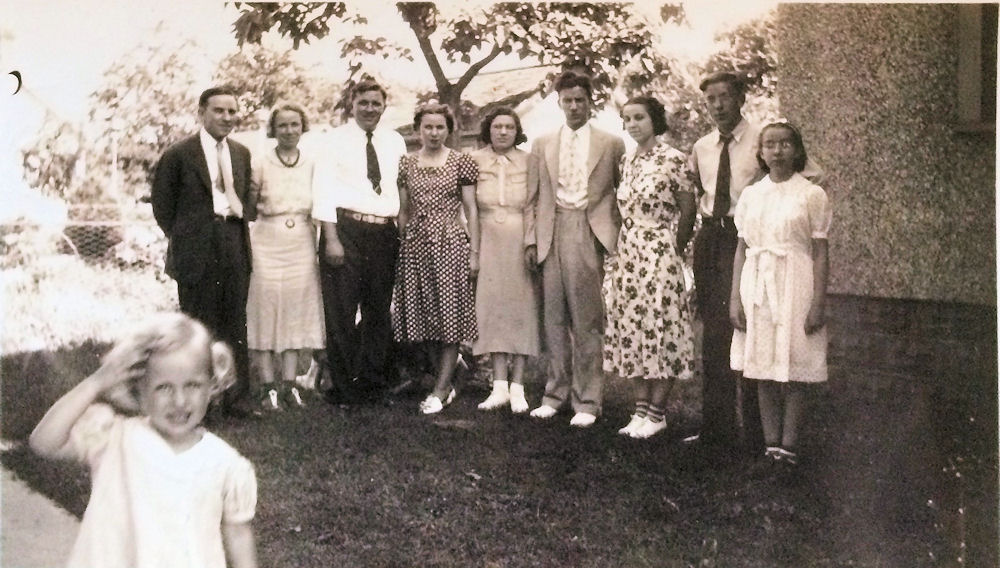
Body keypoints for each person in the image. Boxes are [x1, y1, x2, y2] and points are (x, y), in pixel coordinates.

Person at [29, 312, 258, 568]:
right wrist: (96, 383)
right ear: (140, 390)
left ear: (211, 387)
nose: (179, 401)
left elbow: (238, 535)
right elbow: (44, 442)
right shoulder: (113, 438)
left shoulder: (224, 463)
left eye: (192, 385)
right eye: (164, 387)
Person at [527, 71, 625, 427]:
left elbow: (623, 193)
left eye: (579, 100)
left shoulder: (612, 143)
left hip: (588, 227)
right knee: (554, 318)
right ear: (559, 103)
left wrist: (613, 237)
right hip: (551, 230)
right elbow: (533, 197)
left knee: (587, 319)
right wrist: (531, 240)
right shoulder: (542, 144)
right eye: (567, 100)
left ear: (590, 101)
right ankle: (555, 394)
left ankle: (588, 400)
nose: (573, 106)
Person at [729, 121, 831, 466]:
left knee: (796, 363)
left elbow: (819, 251)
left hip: (795, 281)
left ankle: (789, 447)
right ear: (760, 152)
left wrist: (818, 302)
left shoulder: (811, 194)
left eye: (785, 144)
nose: (777, 151)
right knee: (761, 365)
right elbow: (742, 249)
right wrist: (734, 298)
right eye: (770, 144)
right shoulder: (751, 194)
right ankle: (770, 445)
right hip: (757, 282)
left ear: (797, 150)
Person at [151, 86, 254, 418]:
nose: (227, 117)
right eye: (219, 111)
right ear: (201, 112)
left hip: (233, 242)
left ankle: (236, 400)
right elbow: (163, 207)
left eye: (232, 111)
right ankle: (202, 404)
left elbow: (243, 197)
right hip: (196, 250)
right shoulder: (179, 154)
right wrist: (188, 238)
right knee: (199, 329)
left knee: (235, 325)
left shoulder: (241, 153)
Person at [603, 96, 697, 439]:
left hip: (659, 250)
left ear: (654, 120)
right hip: (629, 252)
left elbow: (688, 211)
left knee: (662, 326)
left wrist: (674, 246)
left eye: (639, 117)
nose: (632, 124)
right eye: (627, 119)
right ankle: (640, 409)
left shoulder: (674, 159)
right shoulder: (627, 160)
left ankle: (658, 413)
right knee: (632, 326)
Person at [313, 79, 408, 404]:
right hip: (345, 230)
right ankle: (342, 387)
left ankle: (372, 382)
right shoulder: (333, 141)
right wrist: (331, 240)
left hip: (383, 233)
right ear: (352, 104)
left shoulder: (394, 141)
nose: (370, 109)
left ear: (384, 106)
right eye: (363, 102)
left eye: (376, 103)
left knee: (378, 310)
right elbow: (323, 190)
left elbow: (400, 188)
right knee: (341, 311)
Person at [393, 103, 480, 414]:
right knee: (423, 316)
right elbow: (404, 210)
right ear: (419, 130)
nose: (433, 132)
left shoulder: (460, 162)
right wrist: (403, 243)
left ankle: (441, 390)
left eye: (439, 127)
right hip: (416, 244)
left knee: (448, 316)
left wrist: (474, 251)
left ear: (448, 129)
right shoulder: (406, 163)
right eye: (427, 127)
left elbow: (471, 209)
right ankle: (454, 370)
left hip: (449, 242)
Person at [246, 102, 325, 410]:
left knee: (294, 309)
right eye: (283, 126)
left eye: (295, 124)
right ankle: (268, 388)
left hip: (302, 240)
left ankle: (290, 384)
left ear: (302, 127)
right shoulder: (260, 162)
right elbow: (250, 207)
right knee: (265, 308)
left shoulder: (313, 163)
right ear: (273, 130)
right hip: (267, 238)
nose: (289, 131)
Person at [470, 108, 541, 414]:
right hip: (486, 237)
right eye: (497, 126)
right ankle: (498, 385)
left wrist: (531, 241)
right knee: (493, 307)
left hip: (518, 239)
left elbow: (534, 204)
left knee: (520, 308)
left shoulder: (529, 161)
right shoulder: (474, 160)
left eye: (509, 127)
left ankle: (518, 386)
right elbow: (468, 205)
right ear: (489, 130)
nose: (502, 132)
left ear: (517, 131)